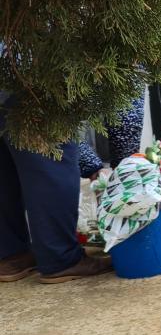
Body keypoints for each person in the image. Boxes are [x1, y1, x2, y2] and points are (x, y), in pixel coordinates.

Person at [0, 95, 114, 283]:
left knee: (4, 169)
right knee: (50, 162)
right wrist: (96, 166)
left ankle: (12, 256)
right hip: (28, 79)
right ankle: (61, 257)